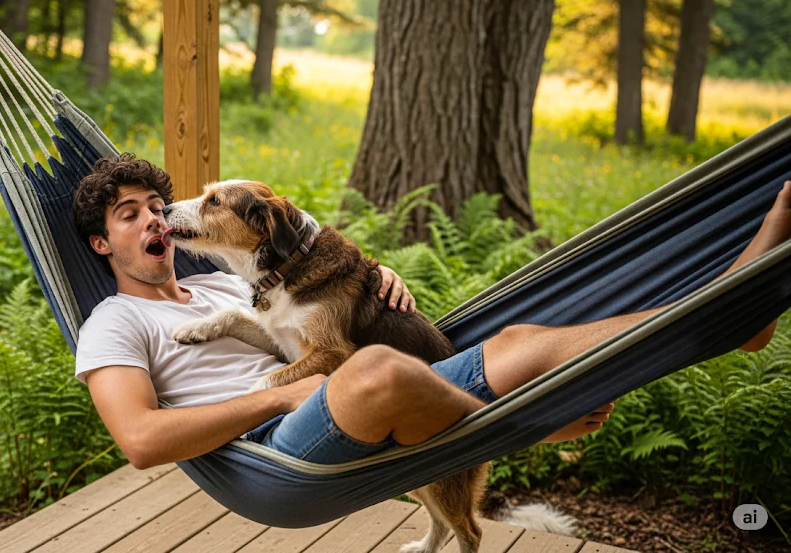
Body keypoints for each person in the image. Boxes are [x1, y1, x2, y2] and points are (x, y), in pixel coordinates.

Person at [72, 154, 790, 470]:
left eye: (158, 208)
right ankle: (526, 426)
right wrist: (292, 389)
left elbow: (310, 277)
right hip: (283, 447)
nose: (158, 220)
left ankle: (729, 307)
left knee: (517, 335)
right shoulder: (114, 321)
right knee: (378, 362)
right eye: (130, 216)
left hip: (374, 400)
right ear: (104, 243)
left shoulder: (230, 289)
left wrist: (376, 273)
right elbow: (139, 440)